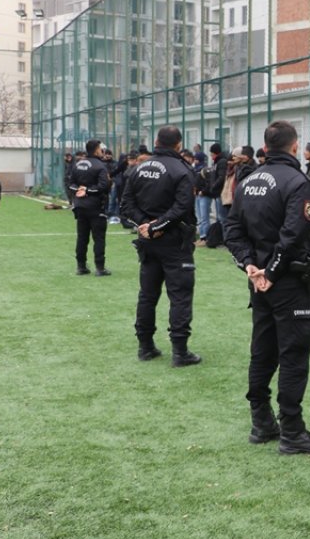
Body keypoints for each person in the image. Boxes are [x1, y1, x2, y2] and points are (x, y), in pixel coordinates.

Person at [223, 120, 310, 455]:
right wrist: (268, 270)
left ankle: (261, 422)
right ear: (294, 145)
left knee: (263, 350)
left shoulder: (248, 180)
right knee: (293, 354)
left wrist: (250, 266)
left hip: (260, 282)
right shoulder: (297, 181)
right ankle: (292, 431)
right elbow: (293, 233)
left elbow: (231, 230)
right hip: (286, 282)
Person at [120, 126, 201, 366]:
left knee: (148, 294)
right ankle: (179, 351)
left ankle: (145, 347)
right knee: (180, 296)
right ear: (178, 144)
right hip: (175, 242)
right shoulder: (183, 170)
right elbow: (182, 207)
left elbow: (126, 205)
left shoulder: (138, 169)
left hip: (149, 242)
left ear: (156, 142)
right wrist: (155, 226)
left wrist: (146, 226)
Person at [65, 139, 113, 276]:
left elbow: (71, 183)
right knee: (99, 238)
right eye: (100, 148)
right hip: (96, 207)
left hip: (80, 206)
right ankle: (100, 268)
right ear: (97, 150)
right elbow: (103, 186)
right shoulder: (100, 166)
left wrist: (79, 190)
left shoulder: (78, 164)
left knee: (82, 237)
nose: (102, 151)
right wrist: (87, 190)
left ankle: (81, 266)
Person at [195, 143, 227, 246]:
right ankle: (217, 238)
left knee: (221, 218)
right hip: (216, 194)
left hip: (220, 193)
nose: (211, 156)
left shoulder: (221, 162)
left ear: (216, 153)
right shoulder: (216, 163)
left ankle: (224, 239)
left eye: (212, 154)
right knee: (218, 218)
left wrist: (213, 186)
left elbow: (221, 177)